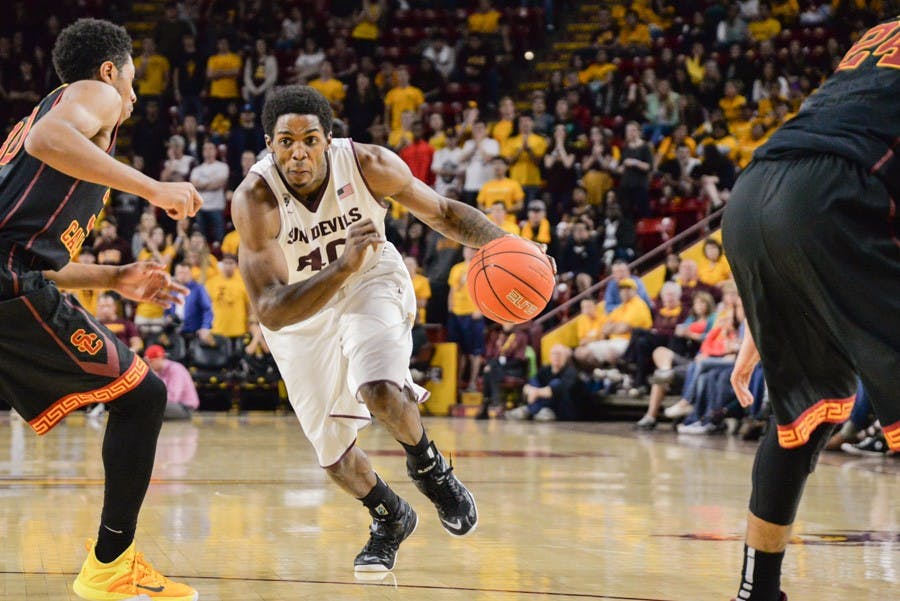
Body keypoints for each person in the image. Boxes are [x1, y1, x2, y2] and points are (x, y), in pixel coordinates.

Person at [231, 86, 522, 574]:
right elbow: (271, 311)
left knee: (379, 386)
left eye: (308, 139)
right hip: (301, 309)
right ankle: (390, 517)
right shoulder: (254, 199)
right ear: (269, 143)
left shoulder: (368, 164)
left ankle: (430, 468)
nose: (297, 152)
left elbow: (445, 213)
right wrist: (341, 266)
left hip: (371, 279)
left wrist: (513, 245)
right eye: (285, 142)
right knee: (333, 454)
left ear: (328, 139)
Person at [0, 18, 201, 601]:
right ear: (111, 70)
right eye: (132, 77)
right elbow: (48, 142)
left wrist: (114, 277)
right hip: (7, 287)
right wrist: (154, 189)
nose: (134, 95)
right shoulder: (95, 96)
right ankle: (111, 565)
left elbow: (31, 254)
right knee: (143, 396)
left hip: (12, 276)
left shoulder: (46, 118)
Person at [723, 17, 900, 601]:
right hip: (835, 197)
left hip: (754, 195)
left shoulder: (880, 33)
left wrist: (762, 314)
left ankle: (759, 591)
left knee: (804, 417)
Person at [144, 344, 199, 420]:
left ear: (159, 358)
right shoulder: (160, 371)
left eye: (150, 361)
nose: (149, 365)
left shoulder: (175, 369)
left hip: (185, 408)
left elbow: (173, 398)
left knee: (150, 406)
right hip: (174, 406)